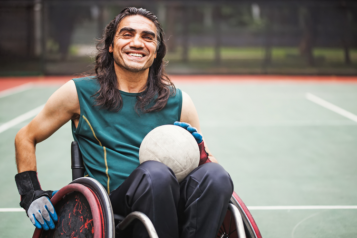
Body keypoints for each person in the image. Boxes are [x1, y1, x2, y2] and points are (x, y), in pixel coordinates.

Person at [14, 7, 233, 238]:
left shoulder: (179, 101)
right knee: (155, 174)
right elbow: (26, 137)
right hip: (114, 209)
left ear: (157, 50)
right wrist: (31, 194)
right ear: (111, 45)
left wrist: (202, 156)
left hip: (174, 202)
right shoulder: (79, 93)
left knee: (216, 176)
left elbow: (207, 166)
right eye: (127, 34)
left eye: (148, 37)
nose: (137, 43)